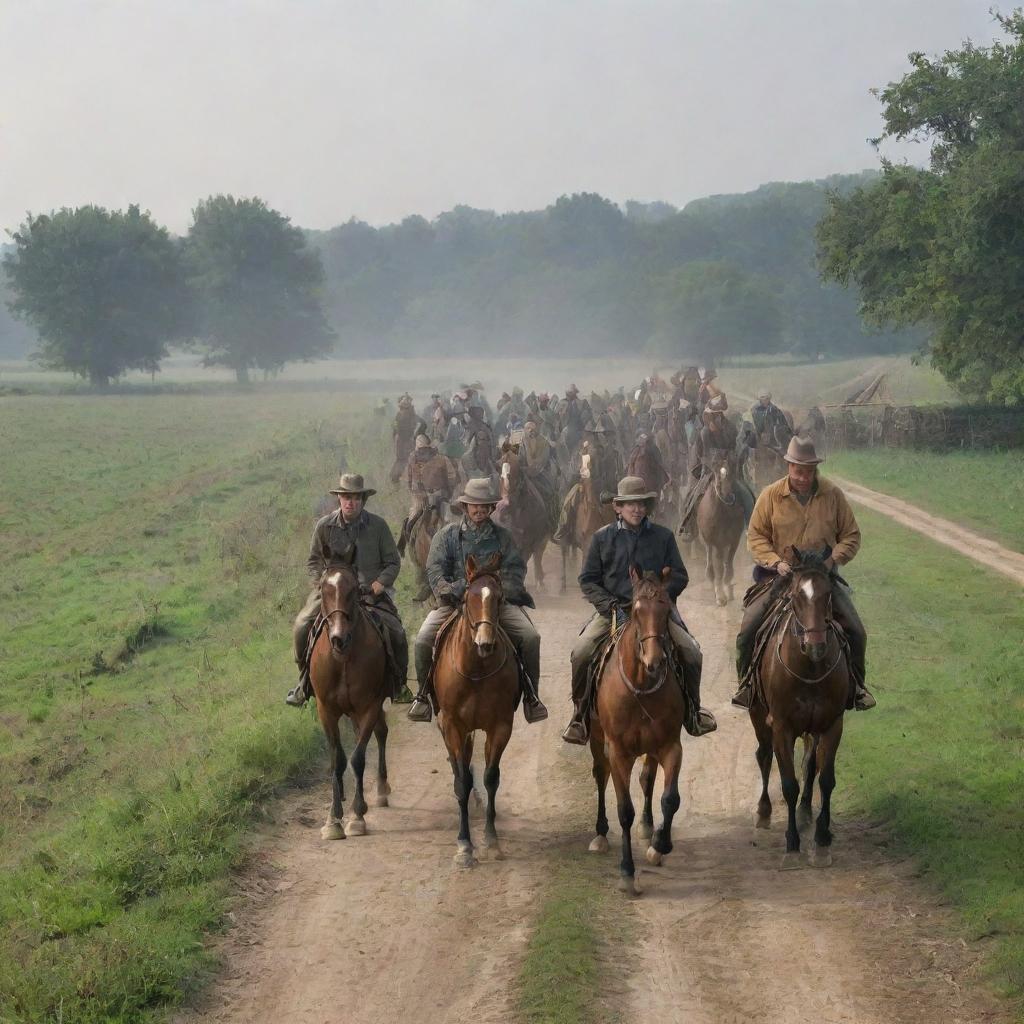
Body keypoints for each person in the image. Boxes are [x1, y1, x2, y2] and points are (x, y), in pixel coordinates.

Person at [561, 476, 718, 744]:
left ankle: (694, 711)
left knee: (692, 651)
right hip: (613, 610)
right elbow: (588, 580)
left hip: (654, 614)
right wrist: (609, 606)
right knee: (581, 652)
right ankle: (579, 717)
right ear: (618, 508)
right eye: (630, 504)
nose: (637, 509)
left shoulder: (663, 537)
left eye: (641, 504)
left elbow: (680, 574)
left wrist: (659, 598)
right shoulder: (602, 539)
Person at [732, 436, 874, 711]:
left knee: (857, 631)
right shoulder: (770, 495)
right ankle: (747, 685)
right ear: (788, 466)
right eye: (798, 470)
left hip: (822, 578)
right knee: (748, 629)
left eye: (809, 470)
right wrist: (775, 562)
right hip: (780, 577)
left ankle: (857, 689)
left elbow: (851, 535)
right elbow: (756, 536)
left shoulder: (833, 495)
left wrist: (834, 559)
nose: (803, 477)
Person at [406, 478, 548, 724]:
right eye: (474, 505)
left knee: (530, 637)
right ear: (465, 507)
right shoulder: (447, 536)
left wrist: (498, 591)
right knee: (422, 640)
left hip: (494, 603)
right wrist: (453, 589)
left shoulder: (503, 537)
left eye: (484, 505)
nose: (479, 510)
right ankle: (422, 696)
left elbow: (516, 570)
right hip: (455, 603)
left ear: (492, 508)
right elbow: (435, 570)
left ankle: (531, 695)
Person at [286, 474, 409, 707]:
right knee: (302, 625)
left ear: (363, 499)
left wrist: (379, 584)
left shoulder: (378, 526)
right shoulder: (324, 526)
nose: (350, 502)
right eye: (345, 497)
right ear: (338, 499)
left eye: (355, 497)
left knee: (397, 632)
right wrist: (322, 582)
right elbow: (313, 561)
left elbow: (393, 561)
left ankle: (398, 683)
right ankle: (303, 681)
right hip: (332, 593)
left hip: (369, 593)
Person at [678, 395, 755, 537]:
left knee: (747, 493)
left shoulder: (731, 428)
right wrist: (713, 463)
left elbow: (735, 448)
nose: (716, 418)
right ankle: (687, 526)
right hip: (710, 470)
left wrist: (733, 458)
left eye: (719, 414)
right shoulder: (704, 432)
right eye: (714, 414)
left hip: (729, 468)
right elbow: (703, 454)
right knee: (693, 494)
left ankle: (751, 527)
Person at [398, 433, 457, 598]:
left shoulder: (441, 459)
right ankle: (417, 564)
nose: (422, 452)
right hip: (420, 499)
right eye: (420, 449)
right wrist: (417, 493)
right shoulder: (412, 459)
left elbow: (452, 478)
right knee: (410, 523)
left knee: (452, 522)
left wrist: (445, 492)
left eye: (425, 448)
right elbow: (408, 480)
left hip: (441, 497)